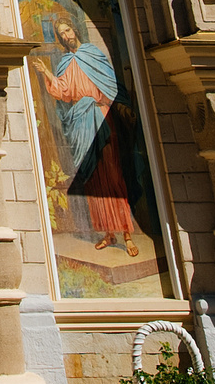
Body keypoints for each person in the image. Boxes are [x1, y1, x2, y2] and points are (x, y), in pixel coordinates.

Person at [32, 15, 141, 254]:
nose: (66, 36)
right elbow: (64, 92)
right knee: (93, 178)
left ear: (75, 29)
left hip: (101, 117)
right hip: (82, 123)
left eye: (68, 30)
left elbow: (110, 85)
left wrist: (105, 99)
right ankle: (107, 233)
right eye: (61, 34)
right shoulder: (66, 62)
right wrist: (46, 73)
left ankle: (126, 233)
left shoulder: (92, 53)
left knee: (112, 174)